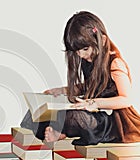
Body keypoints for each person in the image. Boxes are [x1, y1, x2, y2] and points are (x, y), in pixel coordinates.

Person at [21, 11, 140, 146]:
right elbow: (90, 86)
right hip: (95, 113)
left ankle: (62, 131)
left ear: (103, 40)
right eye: (77, 51)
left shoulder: (115, 63)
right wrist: (63, 90)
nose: (81, 55)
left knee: (74, 117)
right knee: (34, 116)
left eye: (85, 49)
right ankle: (62, 132)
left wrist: (95, 103)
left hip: (114, 121)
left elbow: (126, 99)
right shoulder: (88, 60)